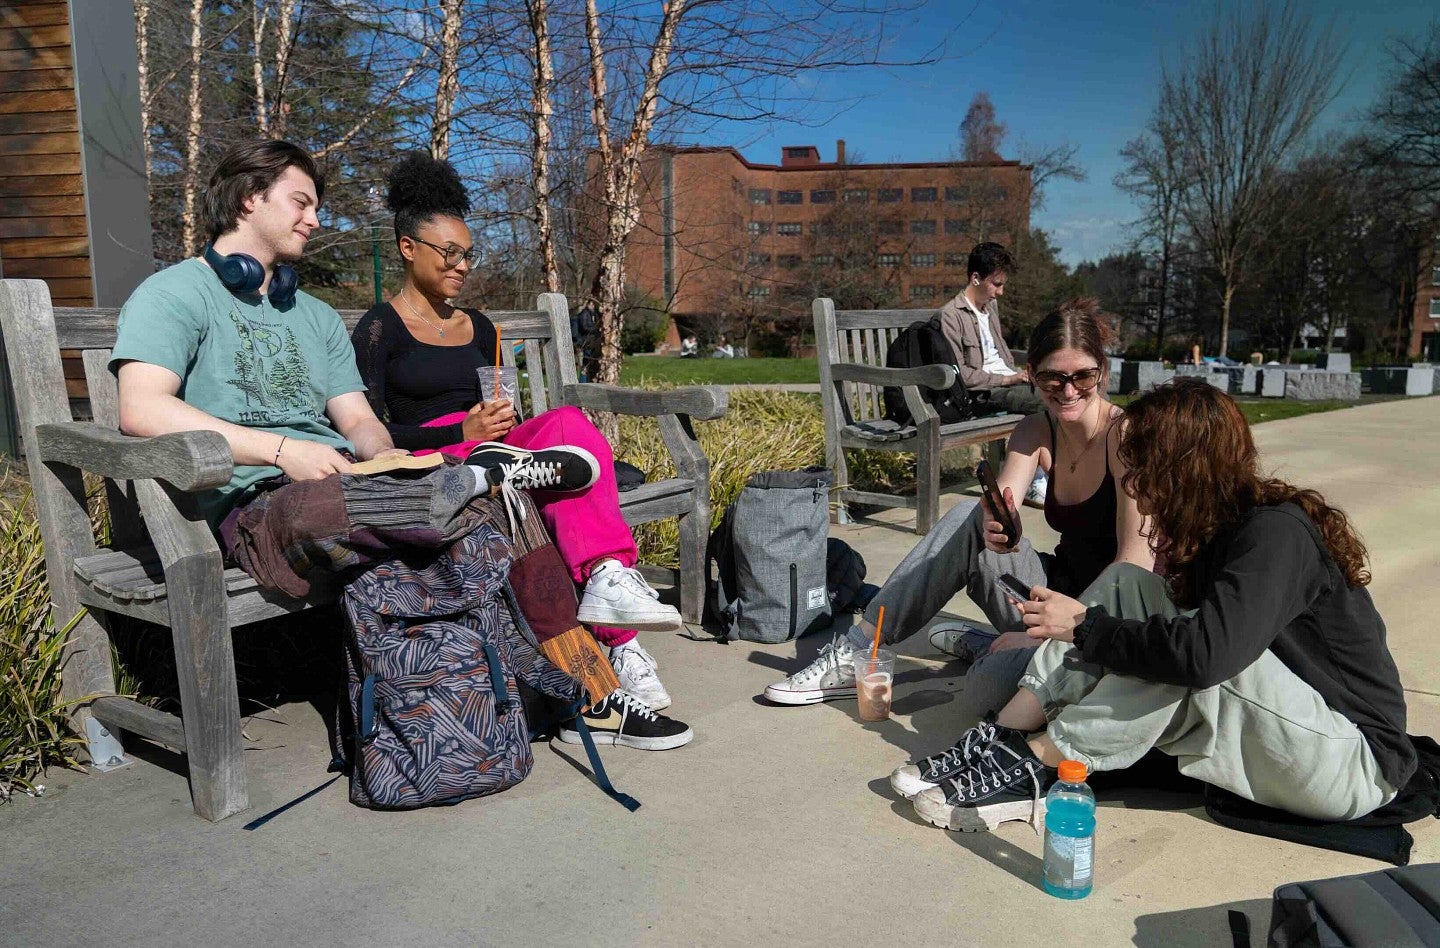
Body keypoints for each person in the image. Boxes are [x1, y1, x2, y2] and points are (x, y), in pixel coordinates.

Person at [112, 140, 691, 753]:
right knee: (363, 503)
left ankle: (591, 696)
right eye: (301, 203)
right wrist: (282, 452)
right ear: (249, 199)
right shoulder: (175, 293)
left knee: (508, 510)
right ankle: (473, 481)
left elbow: (361, 422)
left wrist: (381, 455)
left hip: (351, 485)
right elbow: (141, 407)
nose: (315, 220)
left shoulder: (309, 314)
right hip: (255, 503)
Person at [898, 379, 1412, 833]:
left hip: (1352, 761)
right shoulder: (1218, 532)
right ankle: (1003, 735)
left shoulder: (1275, 534)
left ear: (1184, 470)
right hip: (1291, 730)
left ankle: (1034, 763)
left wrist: (1083, 626)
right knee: (1128, 583)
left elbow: (1203, 657)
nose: (1132, 480)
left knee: (1184, 646)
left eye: (1141, 465)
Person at [351, 152, 686, 718]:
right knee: (557, 481)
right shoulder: (380, 327)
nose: (461, 266)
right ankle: (620, 649)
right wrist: (462, 427)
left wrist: (494, 421)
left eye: (468, 256)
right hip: (438, 455)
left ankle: (607, 573)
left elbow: (496, 400)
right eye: (448, 253)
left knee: (570, 425)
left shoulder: (480, 327)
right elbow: (373, 431)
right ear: (408, 248)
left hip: (498, 449)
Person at [764, 298, 1154, 718]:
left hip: (1104, 620)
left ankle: (988, 646)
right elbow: (1001, 505)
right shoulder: (1036, 430)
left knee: (988, 690)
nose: (1069, 390)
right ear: (1033, 377)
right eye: (1052, 379)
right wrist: (995, 523)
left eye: (1082, 376)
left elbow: (1134, 569)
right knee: (964, 517)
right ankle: (859, 651)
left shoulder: (1125, 436)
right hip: (1047, 594)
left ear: (1104, 371)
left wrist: (1061, 634)